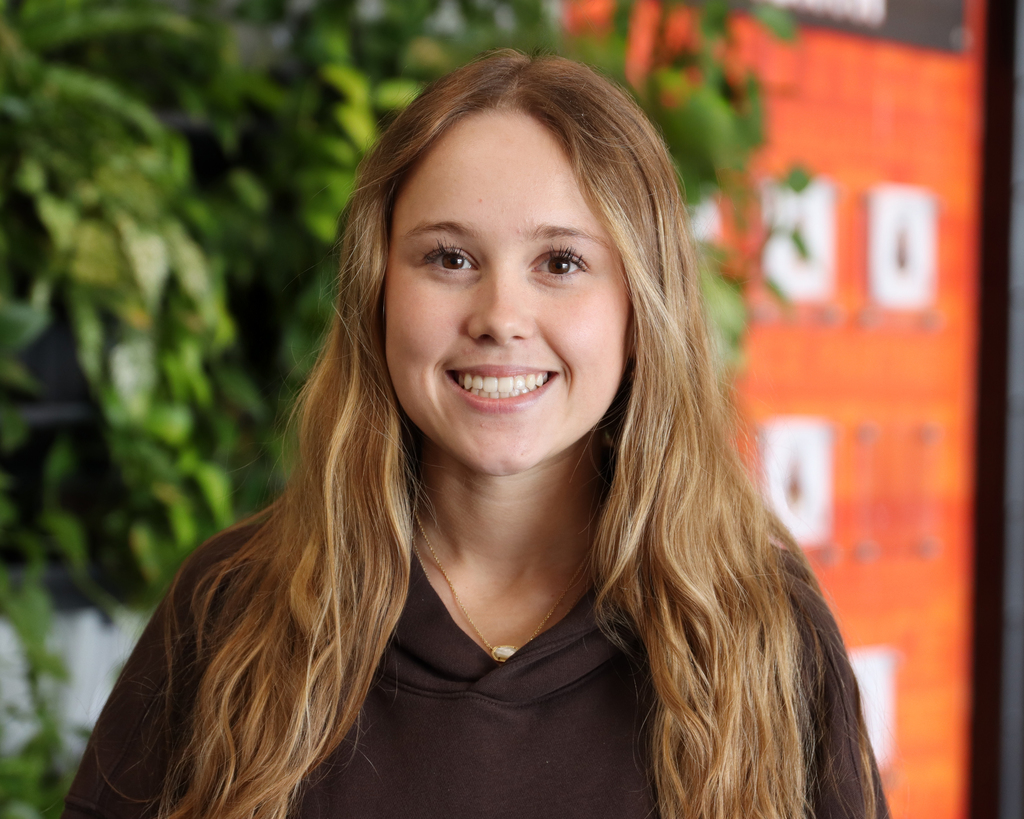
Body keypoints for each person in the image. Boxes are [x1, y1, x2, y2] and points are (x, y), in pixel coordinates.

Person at [62, 50, 889, 819]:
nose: (499, 318)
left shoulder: (760, 628)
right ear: (379, 290)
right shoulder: (229, 608)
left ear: (641, 310)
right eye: (450, 259)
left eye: (561, 263)